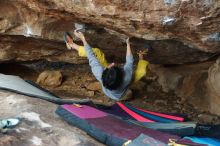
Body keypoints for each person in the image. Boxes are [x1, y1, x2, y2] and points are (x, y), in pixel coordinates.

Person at [64, 31, 149, 100]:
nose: (112, 63)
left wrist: (83, 38)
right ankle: (141, 55)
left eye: (109, 66)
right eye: (113, 65)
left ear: (104, 73)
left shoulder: (100, 73)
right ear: (122, 72)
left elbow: (91, 55)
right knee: (141, 72)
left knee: (96, 52)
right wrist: (128, 43)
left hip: (111, 89)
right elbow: (130, 61)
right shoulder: (127, 77)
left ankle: (72, 45)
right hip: (119, 90)